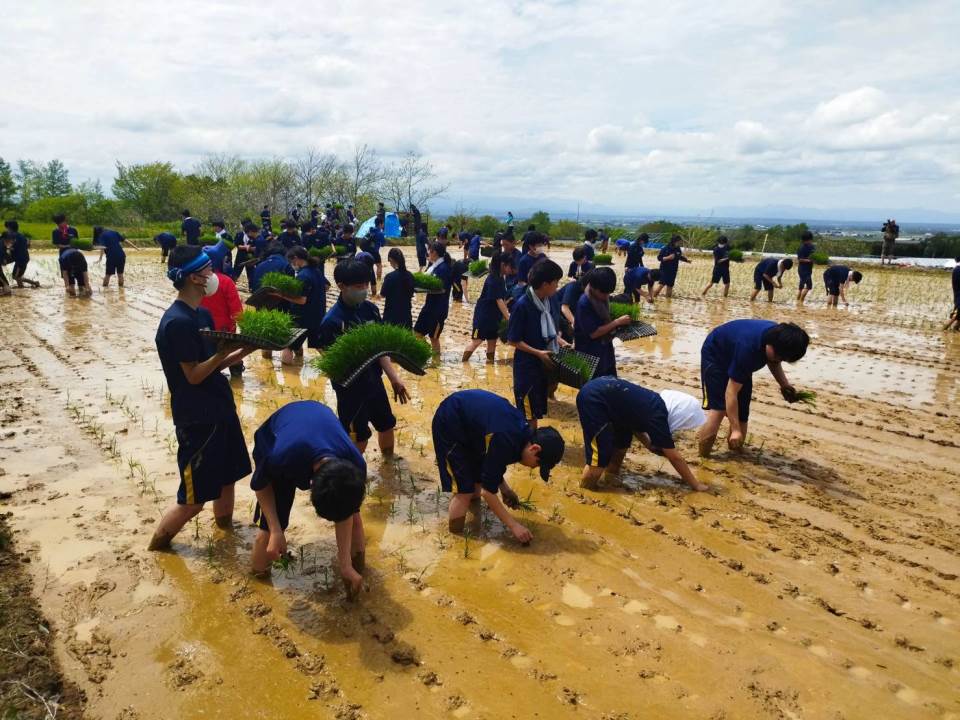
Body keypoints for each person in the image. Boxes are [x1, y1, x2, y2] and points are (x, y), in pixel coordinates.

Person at [148, 245, 255, 551]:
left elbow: (212, 366)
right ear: (195, 277)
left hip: (219, 406)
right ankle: (158, 547)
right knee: (193, 500)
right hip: (198, 417)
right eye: (209, 269)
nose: (214, 275)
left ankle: (226, 535)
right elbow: (193, 376)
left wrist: (243, 350)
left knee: (228, 478)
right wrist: (223, 352)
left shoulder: (201, 313)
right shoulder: (178, 322)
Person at [248, 401, 367, 594]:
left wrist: (345, 564)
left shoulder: (356, 465)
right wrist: (276, 529)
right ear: (310, 484)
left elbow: (346, 515)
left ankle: (354, 574)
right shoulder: (280, 457)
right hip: (277, 434)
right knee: (268, 532)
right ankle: (258, 584)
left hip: (316, 420)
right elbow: (261, 487)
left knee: (354, 518)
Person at [432, 390, 565, 543]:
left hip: (471, 428)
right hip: (450, 423)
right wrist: (514, 526)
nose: (533, 468)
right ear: (534, 449)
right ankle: (456, 539)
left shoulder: (520, 436)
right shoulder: (506, 439)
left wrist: (505, 489)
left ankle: (469, 526)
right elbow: (487, 493)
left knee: (476, 485)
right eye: (537, 464)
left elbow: (493, 463)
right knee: (465, 490)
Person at [319, 259, 410, 455]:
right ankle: (354, 476)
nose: (365, 289)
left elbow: (380, 349)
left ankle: (388, 466)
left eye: (367, 285)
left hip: (374, 382)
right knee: (357, 436)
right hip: (350, 390)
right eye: (359, 287)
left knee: (386, 424)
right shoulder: (332, 321)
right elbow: (330, 364)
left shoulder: (371, 310)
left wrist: (395, 378)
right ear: (341, 286)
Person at [698, 320, 809, 457]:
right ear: (770, 344)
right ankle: (703, 457)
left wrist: (784, 385)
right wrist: (735, 429)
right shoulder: (749, 349)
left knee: (742, 412)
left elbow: (774, 362)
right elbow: (731, 393)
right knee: (719, 409)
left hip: (739, 356)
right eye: (779, 356)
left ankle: (735, 455)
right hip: (716, 355)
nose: (779, 360)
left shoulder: (779, 338)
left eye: (783, 358)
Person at [577, 377, 708, 492]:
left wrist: (648, 444)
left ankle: (611, 475)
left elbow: (635, 424)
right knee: (600, 455)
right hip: (594, 400)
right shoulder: (658, 417)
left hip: (609, 397)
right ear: (682, 416)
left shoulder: (655, 403)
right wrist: (695, 485)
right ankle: (585, 490)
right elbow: (675, 457)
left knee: (622, 443)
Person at [507, 260, 565, 428]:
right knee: (527, 411)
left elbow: (551, 329)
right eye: (556, 282)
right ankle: (528, 445)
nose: (557, 286)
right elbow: (513, 340)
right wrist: (538, 353)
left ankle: (531, 442)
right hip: (527, 366)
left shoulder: (550, 301)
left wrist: (560, 341)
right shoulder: (522, 306)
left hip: (543, 365)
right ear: (545, 284)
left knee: (537, 407)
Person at [276, 247, 329, 366]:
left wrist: (282, 295)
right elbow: (326, 287)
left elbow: (301, 300)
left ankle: (288, 377)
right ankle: (336, 369)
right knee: (319, 346)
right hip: (318, 315)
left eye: (291, 262)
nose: (292, 265)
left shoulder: (302, 276)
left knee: (288, 345)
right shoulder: (317, 270)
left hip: (301, 318)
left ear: (295, 259)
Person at [575, 267, 631, 378]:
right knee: (595, 384)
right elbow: (593, 333)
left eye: (608, 293)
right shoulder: (584, 303)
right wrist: (617, 322)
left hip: (605, 348)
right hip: (590, 352)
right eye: (604, 293)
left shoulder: (601, 298)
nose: (606, 296)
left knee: (610, 380)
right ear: (594, 287)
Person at [199, 248, 245, 377]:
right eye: (225, 260)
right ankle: (237, 381)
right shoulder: (226, 281)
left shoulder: (194, 281)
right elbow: (237, 311)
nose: (227, 262)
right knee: (230, 354)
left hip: (201, 329)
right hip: (224, 330)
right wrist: (247, 329)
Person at [463, 252, 515, 363]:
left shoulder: (500, 278)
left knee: (492, 341)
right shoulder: (493, 280)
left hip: (494, 317)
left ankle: (489, 364)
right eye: (509, 265)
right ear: (502, 265)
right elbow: (499, 301)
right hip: (483, 317)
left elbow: (502, 300)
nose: (511, 269)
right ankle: (463, 363)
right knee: (476, 341)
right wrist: (509, 318)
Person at [414, 242, 453, 354]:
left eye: (429, 251)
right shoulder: (433, 266)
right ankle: (427, 353)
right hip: (428, 307)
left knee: (433, 338)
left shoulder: (443, 269)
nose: (428, 254)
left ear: (434, 252)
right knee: (417, 333)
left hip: (438, 310)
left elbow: (442, 289)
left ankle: (436, 362)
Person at [381, 247, 415, 328]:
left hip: (391, 315)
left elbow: (383, 294)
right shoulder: (410, 276)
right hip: (406, 315)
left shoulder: (389, 277)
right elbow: (411, 293)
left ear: (391, 259)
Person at [4, 221, 39, 288]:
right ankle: (21, 287)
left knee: (15, 276)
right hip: (23, 258)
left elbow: (11, 246)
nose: (6, 230)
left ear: (9, 228)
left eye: (7, 228)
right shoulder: (20, 235)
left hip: (21, 259)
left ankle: (34, 283)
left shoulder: (13, 236)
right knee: (17, 276)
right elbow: (27, 245)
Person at [796, 231, 816, 304]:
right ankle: (801, 301)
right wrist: (809, 260)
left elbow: (814, 255)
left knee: (802, 284)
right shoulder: (801, 248)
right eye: (810, 240)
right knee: (809, 286)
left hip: (808, 269)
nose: (810, 241)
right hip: (803, 269)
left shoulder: (812, 246)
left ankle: (798, 300)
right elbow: (800, 259)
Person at [946, 256, 960, 332]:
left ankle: (956, 328)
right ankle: (945, 328)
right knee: (957, 315)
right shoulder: (958, 270)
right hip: (959, 295)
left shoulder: (956, 269)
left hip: (957, 295)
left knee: (958, 315)